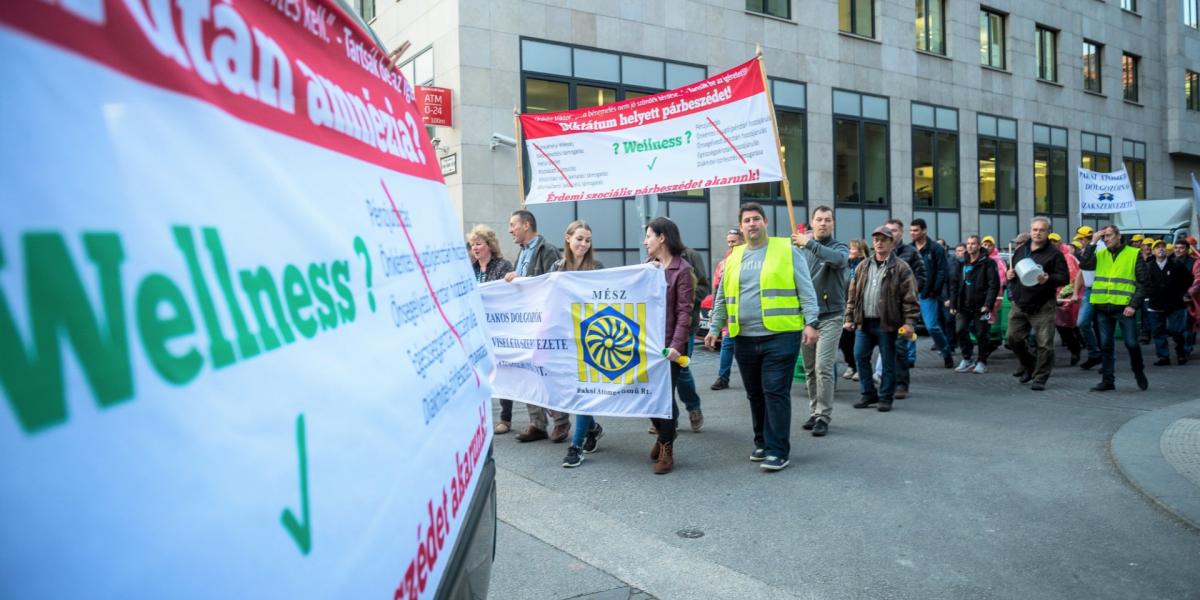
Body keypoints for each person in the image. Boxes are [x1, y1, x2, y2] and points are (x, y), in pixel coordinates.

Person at [705, 203, 819, 472]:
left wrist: (811, 322)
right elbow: (722, 297)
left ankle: (778, 450)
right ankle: (762, 442)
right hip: (743, 337)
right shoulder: (734, 257)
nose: (752, 224)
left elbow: (806, 288)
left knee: (775, 391)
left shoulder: (786, 250)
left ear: (765, 221)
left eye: (757, 219)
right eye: (747, 220)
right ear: (741, 226)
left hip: (781, 335)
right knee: (755, 394)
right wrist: (713, 328)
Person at [504, 209, 570, 442]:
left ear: (526, 225)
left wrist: (522, 280)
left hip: (544, 324)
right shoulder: (521, 253)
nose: (510, 229)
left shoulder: (547, 250)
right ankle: (537, 423)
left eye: (513, 224)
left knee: (548, 373)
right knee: (528, 372)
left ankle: (561, 421)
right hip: (526, 324)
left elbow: (552, 285)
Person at [845, 225, 921, 413]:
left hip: (887, 323)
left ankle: (886, 397)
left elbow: (910, 298)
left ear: (891, 243)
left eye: (883, 239)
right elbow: (853, 295)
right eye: (876, 239)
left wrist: (910, 322)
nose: (879, 243)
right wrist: (849, 317)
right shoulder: (863, 265)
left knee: (888, 361)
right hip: (864, 321)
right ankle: (868, 393)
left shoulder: (901, 267)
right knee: (860, 356)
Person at [791, 205, 849, 438]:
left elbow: (839, 260)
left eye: (827, 220)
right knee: (809, 369)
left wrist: (810, 244)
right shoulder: (800, 249)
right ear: (812, 223)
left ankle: (824, 415)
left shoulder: (838, 247)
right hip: (806, 317)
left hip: (831, 315)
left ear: (833, 223)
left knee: (823, 366)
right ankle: (815, 411)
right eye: (819, 219)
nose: (823, 223)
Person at [644, 217, 694, 474]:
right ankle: (665, 435)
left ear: (662, 238)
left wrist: (676, 346)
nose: (645, 241)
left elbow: (684, 312)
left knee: (663, 397)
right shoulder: (646, 267)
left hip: (668, 348)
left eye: (649, 236)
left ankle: (666, 448)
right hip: (647, 346)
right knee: (647, 396)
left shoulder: (682, 270)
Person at [556, 222, 608, 467]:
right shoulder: (557, 267)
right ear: (568, 238)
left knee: (584, 391)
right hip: (565, 337)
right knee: (572, 391)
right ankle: (592, 428)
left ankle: (575, 447)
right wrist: (516, 279)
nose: (583, 244)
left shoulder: (597, 268)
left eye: (587, 240)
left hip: (590, 337)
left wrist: (646, 270)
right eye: (579, 239)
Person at [1078, 225, 1151, 391]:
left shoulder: (1133, 253)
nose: (1106, 239)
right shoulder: (1100, 253)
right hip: (1103, 306)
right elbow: (1085, 265)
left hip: (1124, 308)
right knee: (1105, 345)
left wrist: (1133, 305)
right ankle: (1108, 380)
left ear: (1119, 236)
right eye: (1104, 237)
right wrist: (1093, 242)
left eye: (1109, 235)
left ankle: (1138, 371)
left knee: (1132, 343)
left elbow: (1144, 282)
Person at [1005, 217, 1069, 391]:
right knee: (1013, 338)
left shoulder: (1054, 254)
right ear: (1030, 231)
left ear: (1048, 232)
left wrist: (1048, 279)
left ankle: (1040, 377)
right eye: (1034, 229)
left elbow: (1064, 277)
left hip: (1042, 305)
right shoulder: (1021, 250)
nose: (1037, 233)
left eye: (1041, 230)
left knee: (1044, 344)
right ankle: (1030, 364)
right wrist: (1009, 276)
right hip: (1020, 303)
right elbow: (1012, 273)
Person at [469, 225, 518, 435]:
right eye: (472, 245)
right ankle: (479, 416)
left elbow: (509, 293)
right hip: (477, 329)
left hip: (499, 327)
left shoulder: (502, 266)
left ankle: (505, 419)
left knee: (503, 371)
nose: (475, 248)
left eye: (478, 244)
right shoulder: (470, 270)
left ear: (489, 245)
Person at [884, 219, 926, 400]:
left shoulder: (911, 252)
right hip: (884, 309)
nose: (891, 234)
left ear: (901, 233)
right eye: (888, 231)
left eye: (894, 230)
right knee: (886, 348)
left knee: (900, 346)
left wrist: (911, 294)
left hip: (903, 309)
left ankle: (901, 384)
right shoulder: (881, 251)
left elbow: (922, 276)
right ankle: (887, 383)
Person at [673, 242, 711, 433]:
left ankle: (693, 408)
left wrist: (684, 296)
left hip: (686, 322)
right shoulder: (651, 260)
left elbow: (704, 286)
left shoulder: (691, 255)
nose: (647, 241)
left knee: (681, 369)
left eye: (650, 236)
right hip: (660, 326)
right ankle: (667, 417)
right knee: (662, 373)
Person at [910, 218, 954, 368]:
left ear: (924, 231)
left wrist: (935, 290)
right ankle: (910, 358)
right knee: (909, 326)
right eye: (911, 230)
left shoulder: (936, 249)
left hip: (928, 294)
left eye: (915, 230)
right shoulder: (909, 249)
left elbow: (942, 271)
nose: (912, 233)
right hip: (911, 294)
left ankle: (946, 352)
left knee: (932, 326)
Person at [950, 235, 998, 374]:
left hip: (981, 305)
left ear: (979, 246)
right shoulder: (961, 262)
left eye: (973, 243)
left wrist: (988, 304)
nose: (970, 246)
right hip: (963, 305)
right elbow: (954, 284)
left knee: (982, 334)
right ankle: (967, 358)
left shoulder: (988, 263)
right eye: (968, 243)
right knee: (960, 330)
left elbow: (993, 285)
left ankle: (982, 361)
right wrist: (953, 303)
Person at [1144, 239, 1194, 367]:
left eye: (1163, 247)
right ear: (1153, 252)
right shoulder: (1148, 267)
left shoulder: (1176, 265)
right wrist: (1149, 294)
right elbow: (1143, 283)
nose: (1161, 249)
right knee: (1158, 332)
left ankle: (1181, 353)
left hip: (1175, 304)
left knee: (1176, 330)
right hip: (1155, 304)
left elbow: (1188, 280)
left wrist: (1181, 293)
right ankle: (1163, 356)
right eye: (1157, 247)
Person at [711, 229, 745, 391]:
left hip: (748, 314)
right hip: (731, 315)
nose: (731, 245)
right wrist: (717, 315)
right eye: (729, 242)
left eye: (734, 241)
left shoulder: (749, 259)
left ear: (742, 241)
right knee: (727, 345)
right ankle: (723, 378)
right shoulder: (724, 263)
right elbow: (718, 291)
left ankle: (752, 378)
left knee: (745, 349)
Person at [839, 239, 869, 382]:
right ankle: (851, 364)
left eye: (853, 248)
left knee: (857, 341)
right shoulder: (844, 265)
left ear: (860, 251)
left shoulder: (865, 266)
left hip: (860, 308)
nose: (850, 250)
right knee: (844, 341)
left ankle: (859, 367)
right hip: (845, 306)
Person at [1075, 226, 1103, 369]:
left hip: (1100, 290)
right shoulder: (1085, 250)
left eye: (1081, 239)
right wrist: (1075, 292)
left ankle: (1100, 356)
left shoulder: (1100, 250)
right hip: (1089, 289)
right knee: (1086, 323)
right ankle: (1095, 354)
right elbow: (1081, 272)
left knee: (1096, 324)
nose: (1079, 242)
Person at [1054, 235, 1083, 366]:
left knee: (1064, 329)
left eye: (1054, 241)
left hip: (1063, 298)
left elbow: (1074, 280)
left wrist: (1061, 296)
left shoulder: (1069, 258)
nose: (1052, 243)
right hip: (1049, 297)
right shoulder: (1048, 256)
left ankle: (1075, 349)